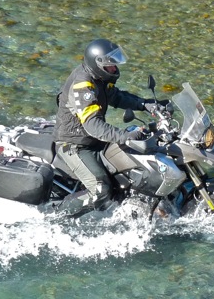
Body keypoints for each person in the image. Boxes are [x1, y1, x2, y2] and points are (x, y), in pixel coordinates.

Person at [53, 38, 167, 215]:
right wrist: (124, 136)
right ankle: (57, 218)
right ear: (97, 64)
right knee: (101, 190)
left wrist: (146, 104)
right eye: (110, 66)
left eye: (114, 64)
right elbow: (92, 125)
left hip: (94, 140)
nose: (114, 69)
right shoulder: (83, 84)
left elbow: (116, 97)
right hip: (75, 145)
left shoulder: (99, 77)